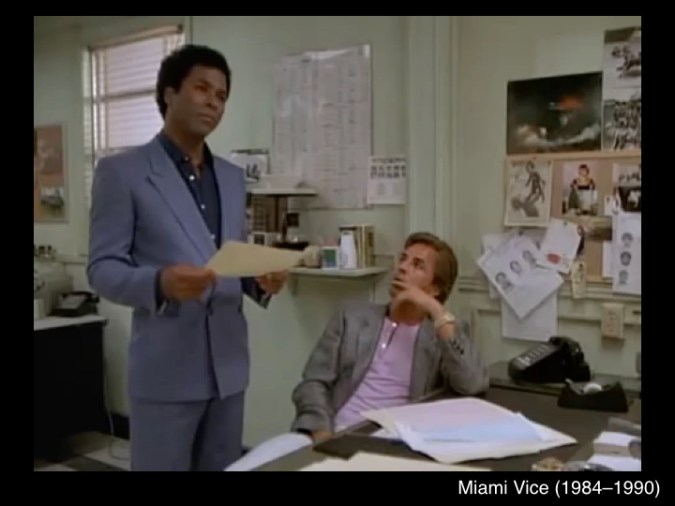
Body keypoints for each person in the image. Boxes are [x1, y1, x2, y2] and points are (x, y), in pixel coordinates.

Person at [87, 44, 287, 471]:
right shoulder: (123, 173)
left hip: (228, 368)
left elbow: (230, 257)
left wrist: (259, 280)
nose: (213, 102)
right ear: (169, 93)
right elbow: (102, 269)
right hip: (167, 370)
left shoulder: (231, 178)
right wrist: (159, 283)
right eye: (202, 88)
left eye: (222, 95)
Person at [225, 232, 490, 471]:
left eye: (417, 265)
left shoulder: (441, 334)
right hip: (328, 432)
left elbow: (474, 383)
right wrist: (322, 434)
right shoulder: (351, 317)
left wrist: (435, 310)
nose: (402, 267)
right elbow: (313, 383)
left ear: (434, 288)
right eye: (403, 259)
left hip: (389, 443)